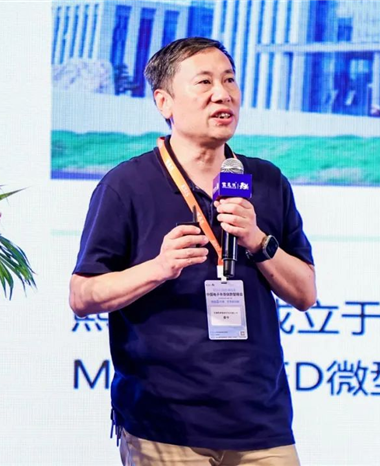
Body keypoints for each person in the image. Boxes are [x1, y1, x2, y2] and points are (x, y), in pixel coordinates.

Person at [70, 37, 316, 466]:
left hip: (261, 420)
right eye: (204, 82)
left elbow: (306, 293)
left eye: (229, 80)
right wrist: (158, 268)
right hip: (164, 425)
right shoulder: (127, 185)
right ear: (164, 101)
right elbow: (82, 296)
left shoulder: (267, 180)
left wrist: (258, 240)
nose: (223, 94)